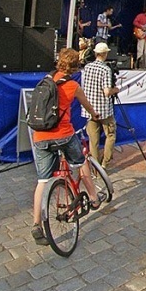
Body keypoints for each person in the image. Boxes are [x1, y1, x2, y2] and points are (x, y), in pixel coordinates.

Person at [30, 48, 102, 245]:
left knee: (42, 181)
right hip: (63, 135)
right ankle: (94, 198)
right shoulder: (73, 85)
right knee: (80, 162)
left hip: (40, 135)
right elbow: (87, 106)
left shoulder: (46, 79)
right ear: (76, 66)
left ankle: (36, 224)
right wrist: (95, 115)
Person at [81, 43, 119, 170]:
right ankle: (105, 163)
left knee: (93, 140)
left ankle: (95, 168)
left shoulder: (87, 67)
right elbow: (107, 92)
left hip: (90, 109)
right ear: (105, 54)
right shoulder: (105, 69)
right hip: (103, 109)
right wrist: (116, 90)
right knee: (111, 135)